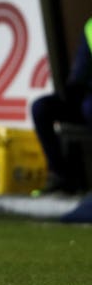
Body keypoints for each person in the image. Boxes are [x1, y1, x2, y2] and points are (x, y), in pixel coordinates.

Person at [32, 23, 92, 194]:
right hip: (86, 97)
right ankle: (60, 176)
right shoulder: (90, 27)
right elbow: (80, 71)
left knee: (89, 108)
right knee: (41, 108)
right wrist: (69, 92)